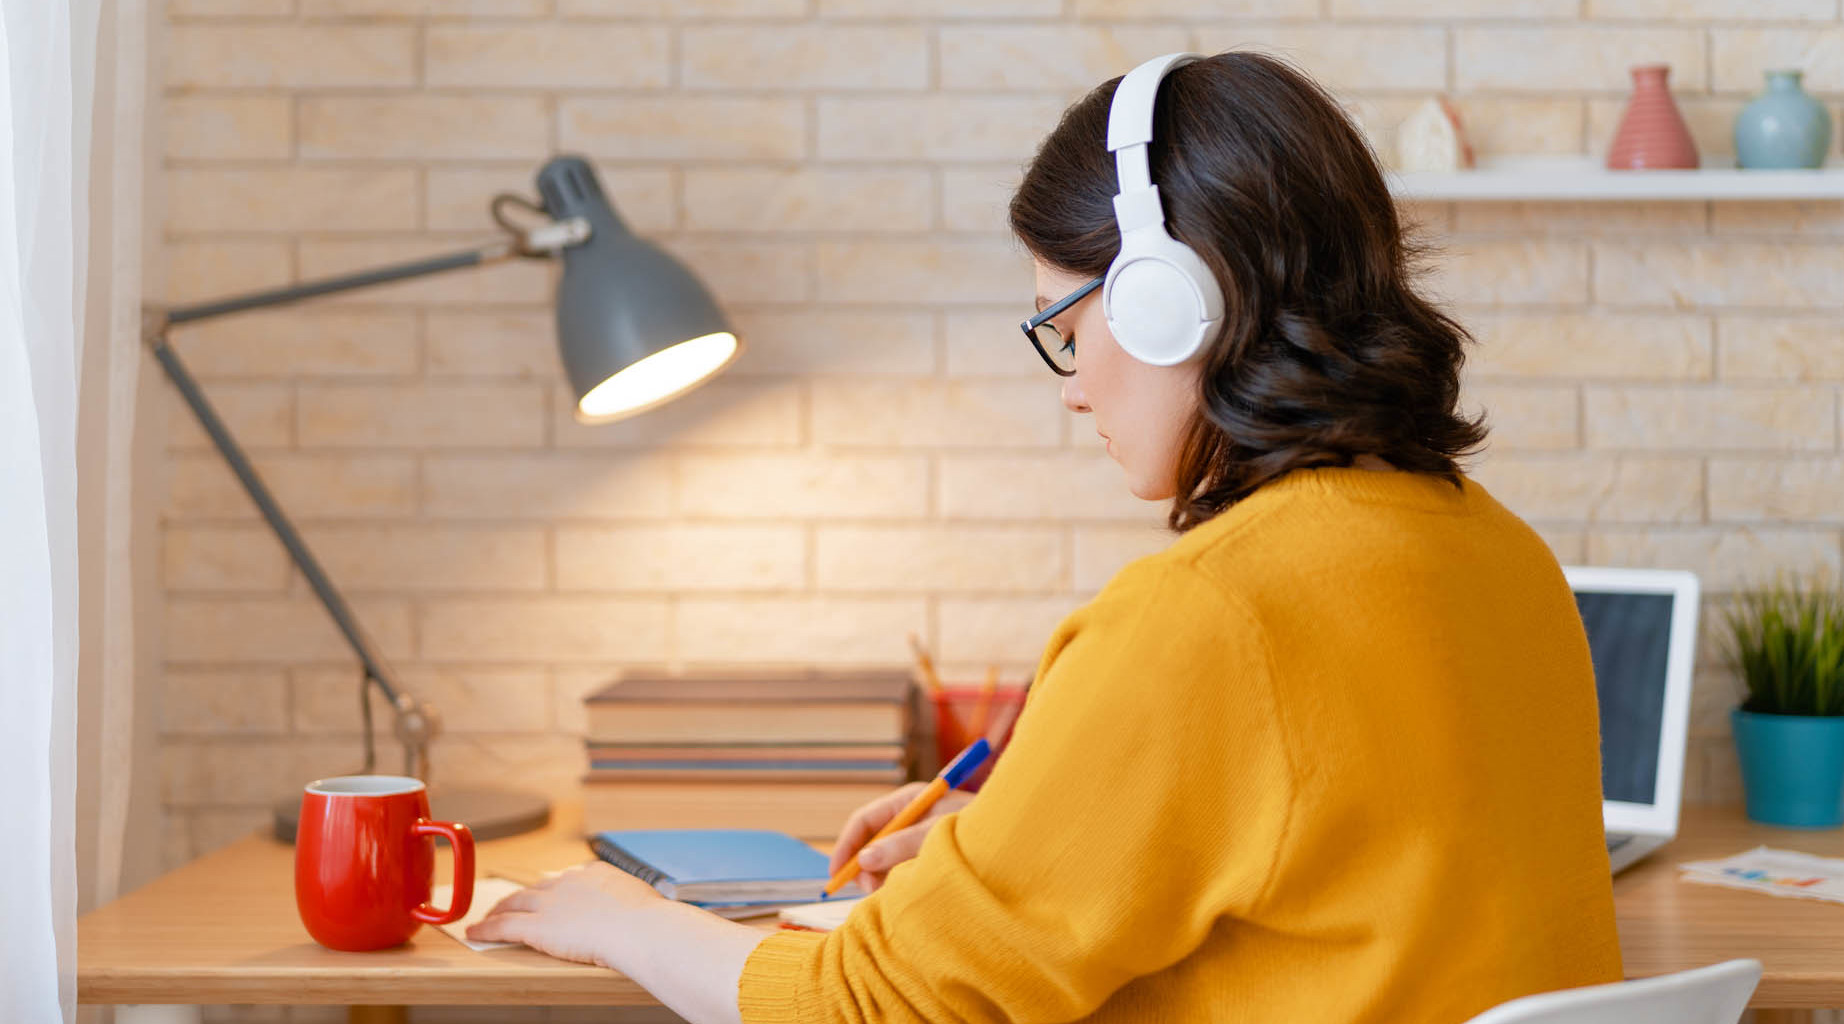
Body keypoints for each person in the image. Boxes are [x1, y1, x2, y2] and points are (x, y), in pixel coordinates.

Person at [468, 50, 1622, 1023]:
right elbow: (1333, 859)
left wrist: (627, 921)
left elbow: (877, 1005)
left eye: (1066, 323)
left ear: (1170, 300)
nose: (1071, 387)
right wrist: (1021, 836)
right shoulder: (1504, 555)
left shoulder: (1207, 613)